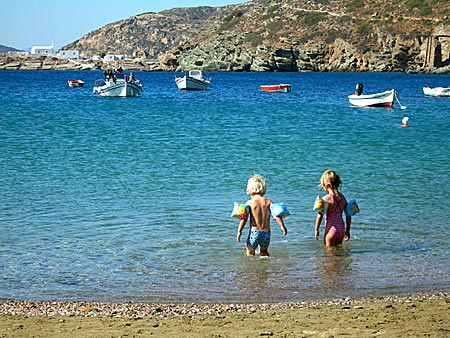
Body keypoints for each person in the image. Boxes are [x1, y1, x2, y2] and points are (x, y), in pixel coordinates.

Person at [236, 174, 287, 257]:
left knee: (250, 252)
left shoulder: (250, 203)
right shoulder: (269, 202)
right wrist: (282, 226)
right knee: (264, 252)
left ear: (250, 189)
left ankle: (252, 268)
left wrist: (239, 231)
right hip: (266, 233)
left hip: (254, 233)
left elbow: (244, 218)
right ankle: (264, 268)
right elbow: (276, 215)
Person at [314, 170, 351, 247]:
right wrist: (347, 230)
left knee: (329, 253)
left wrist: (316, 229)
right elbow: (348, 215)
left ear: (325, 185)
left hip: (331, 230)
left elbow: (320, 215)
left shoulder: (326, 199)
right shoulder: (342, 198)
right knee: (337, 251)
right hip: (341, 229)